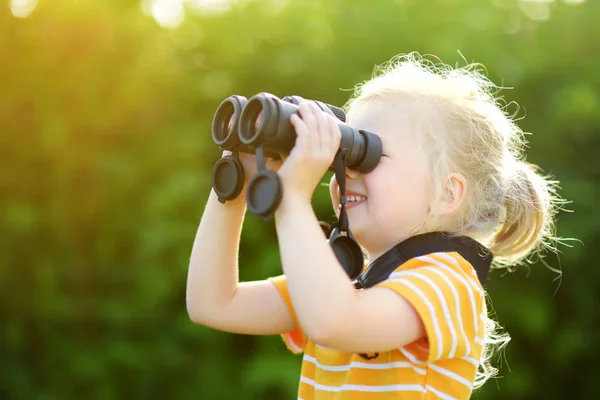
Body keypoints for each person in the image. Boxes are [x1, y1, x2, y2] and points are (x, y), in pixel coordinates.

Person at [186, 52, 562, 399]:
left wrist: (292, 199)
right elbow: (214, 304)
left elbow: (333, 322)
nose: (345, 170)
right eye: (342, 154)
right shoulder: (347, 280)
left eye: (366, 153)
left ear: (448, 193)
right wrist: (234, 188)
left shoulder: (449, 283)